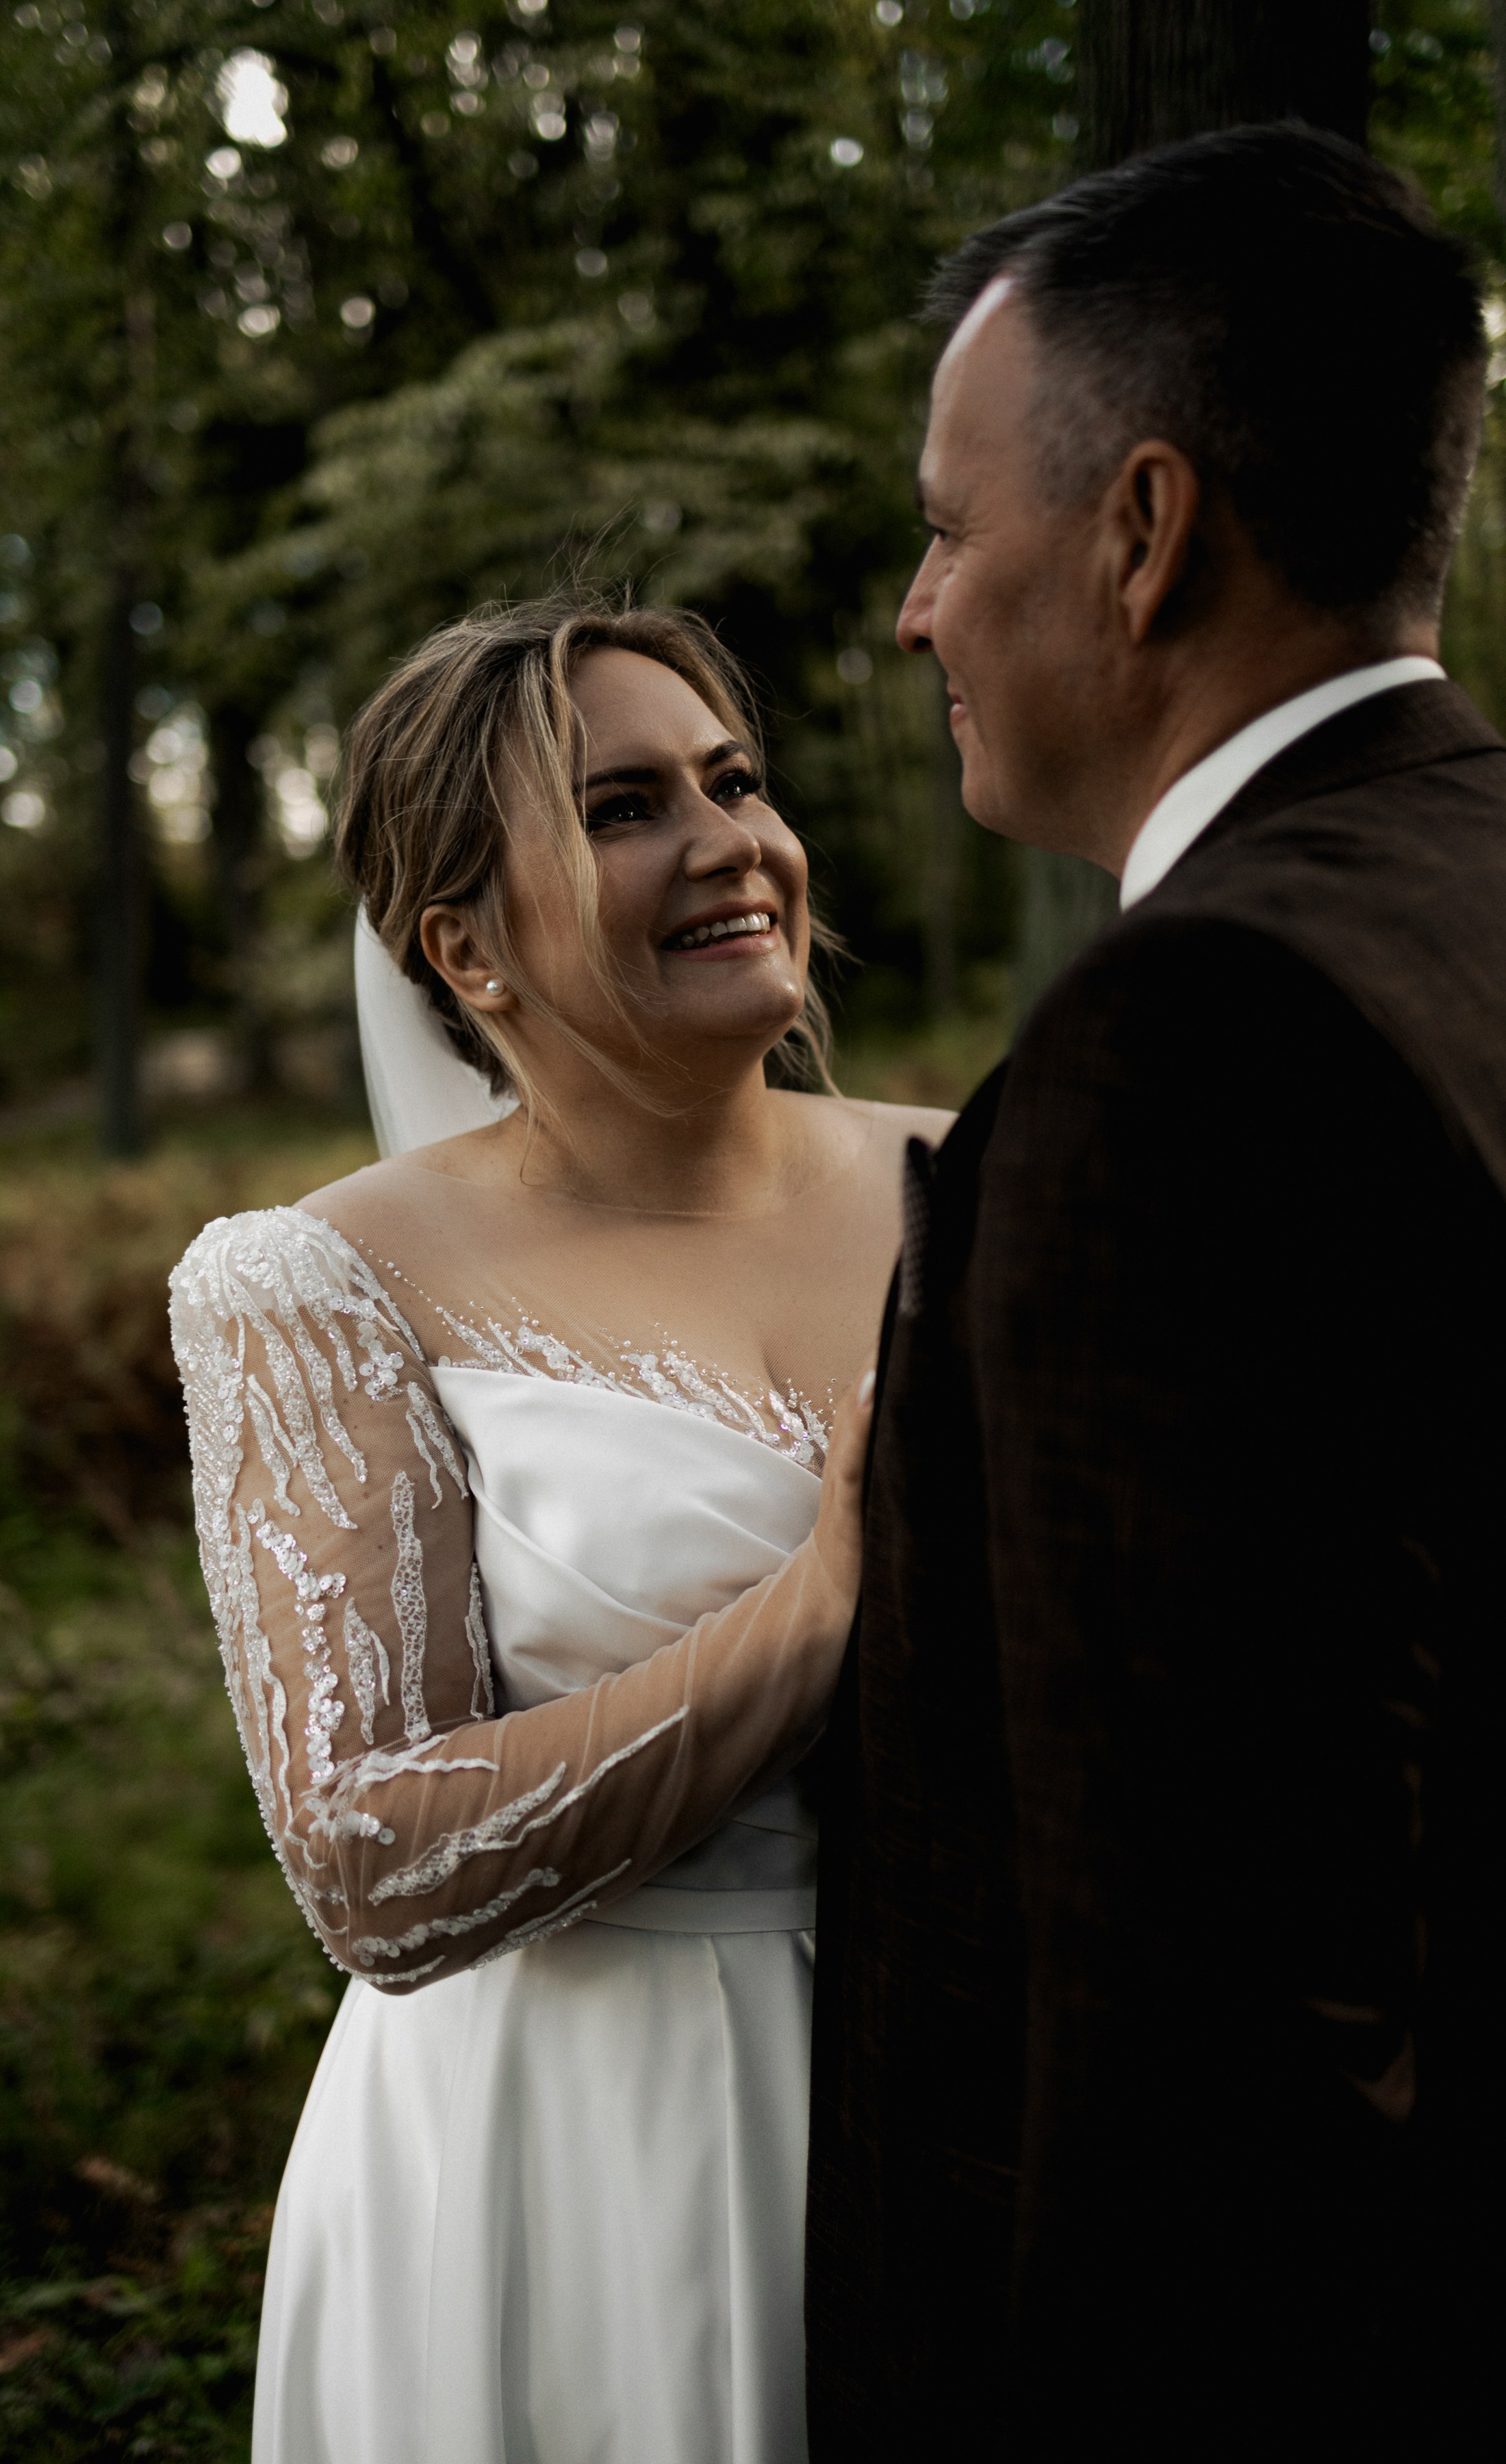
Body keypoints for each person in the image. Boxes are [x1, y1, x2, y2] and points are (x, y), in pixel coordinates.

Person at [806, 125, 1506, 2459]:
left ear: (1141, 534)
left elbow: (1208, 2020)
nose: (916, 609)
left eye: (943, 522)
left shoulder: (1195, 1041)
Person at [170, 596, 949, 2463]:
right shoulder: (321, 1283)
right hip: (566, 2150)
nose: (728, 843)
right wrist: (826, 1598)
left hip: (962, 2086)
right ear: (464, 946)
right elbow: (371, 1863)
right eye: (622, 808)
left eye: (734, 781)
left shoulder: (980, 1174)